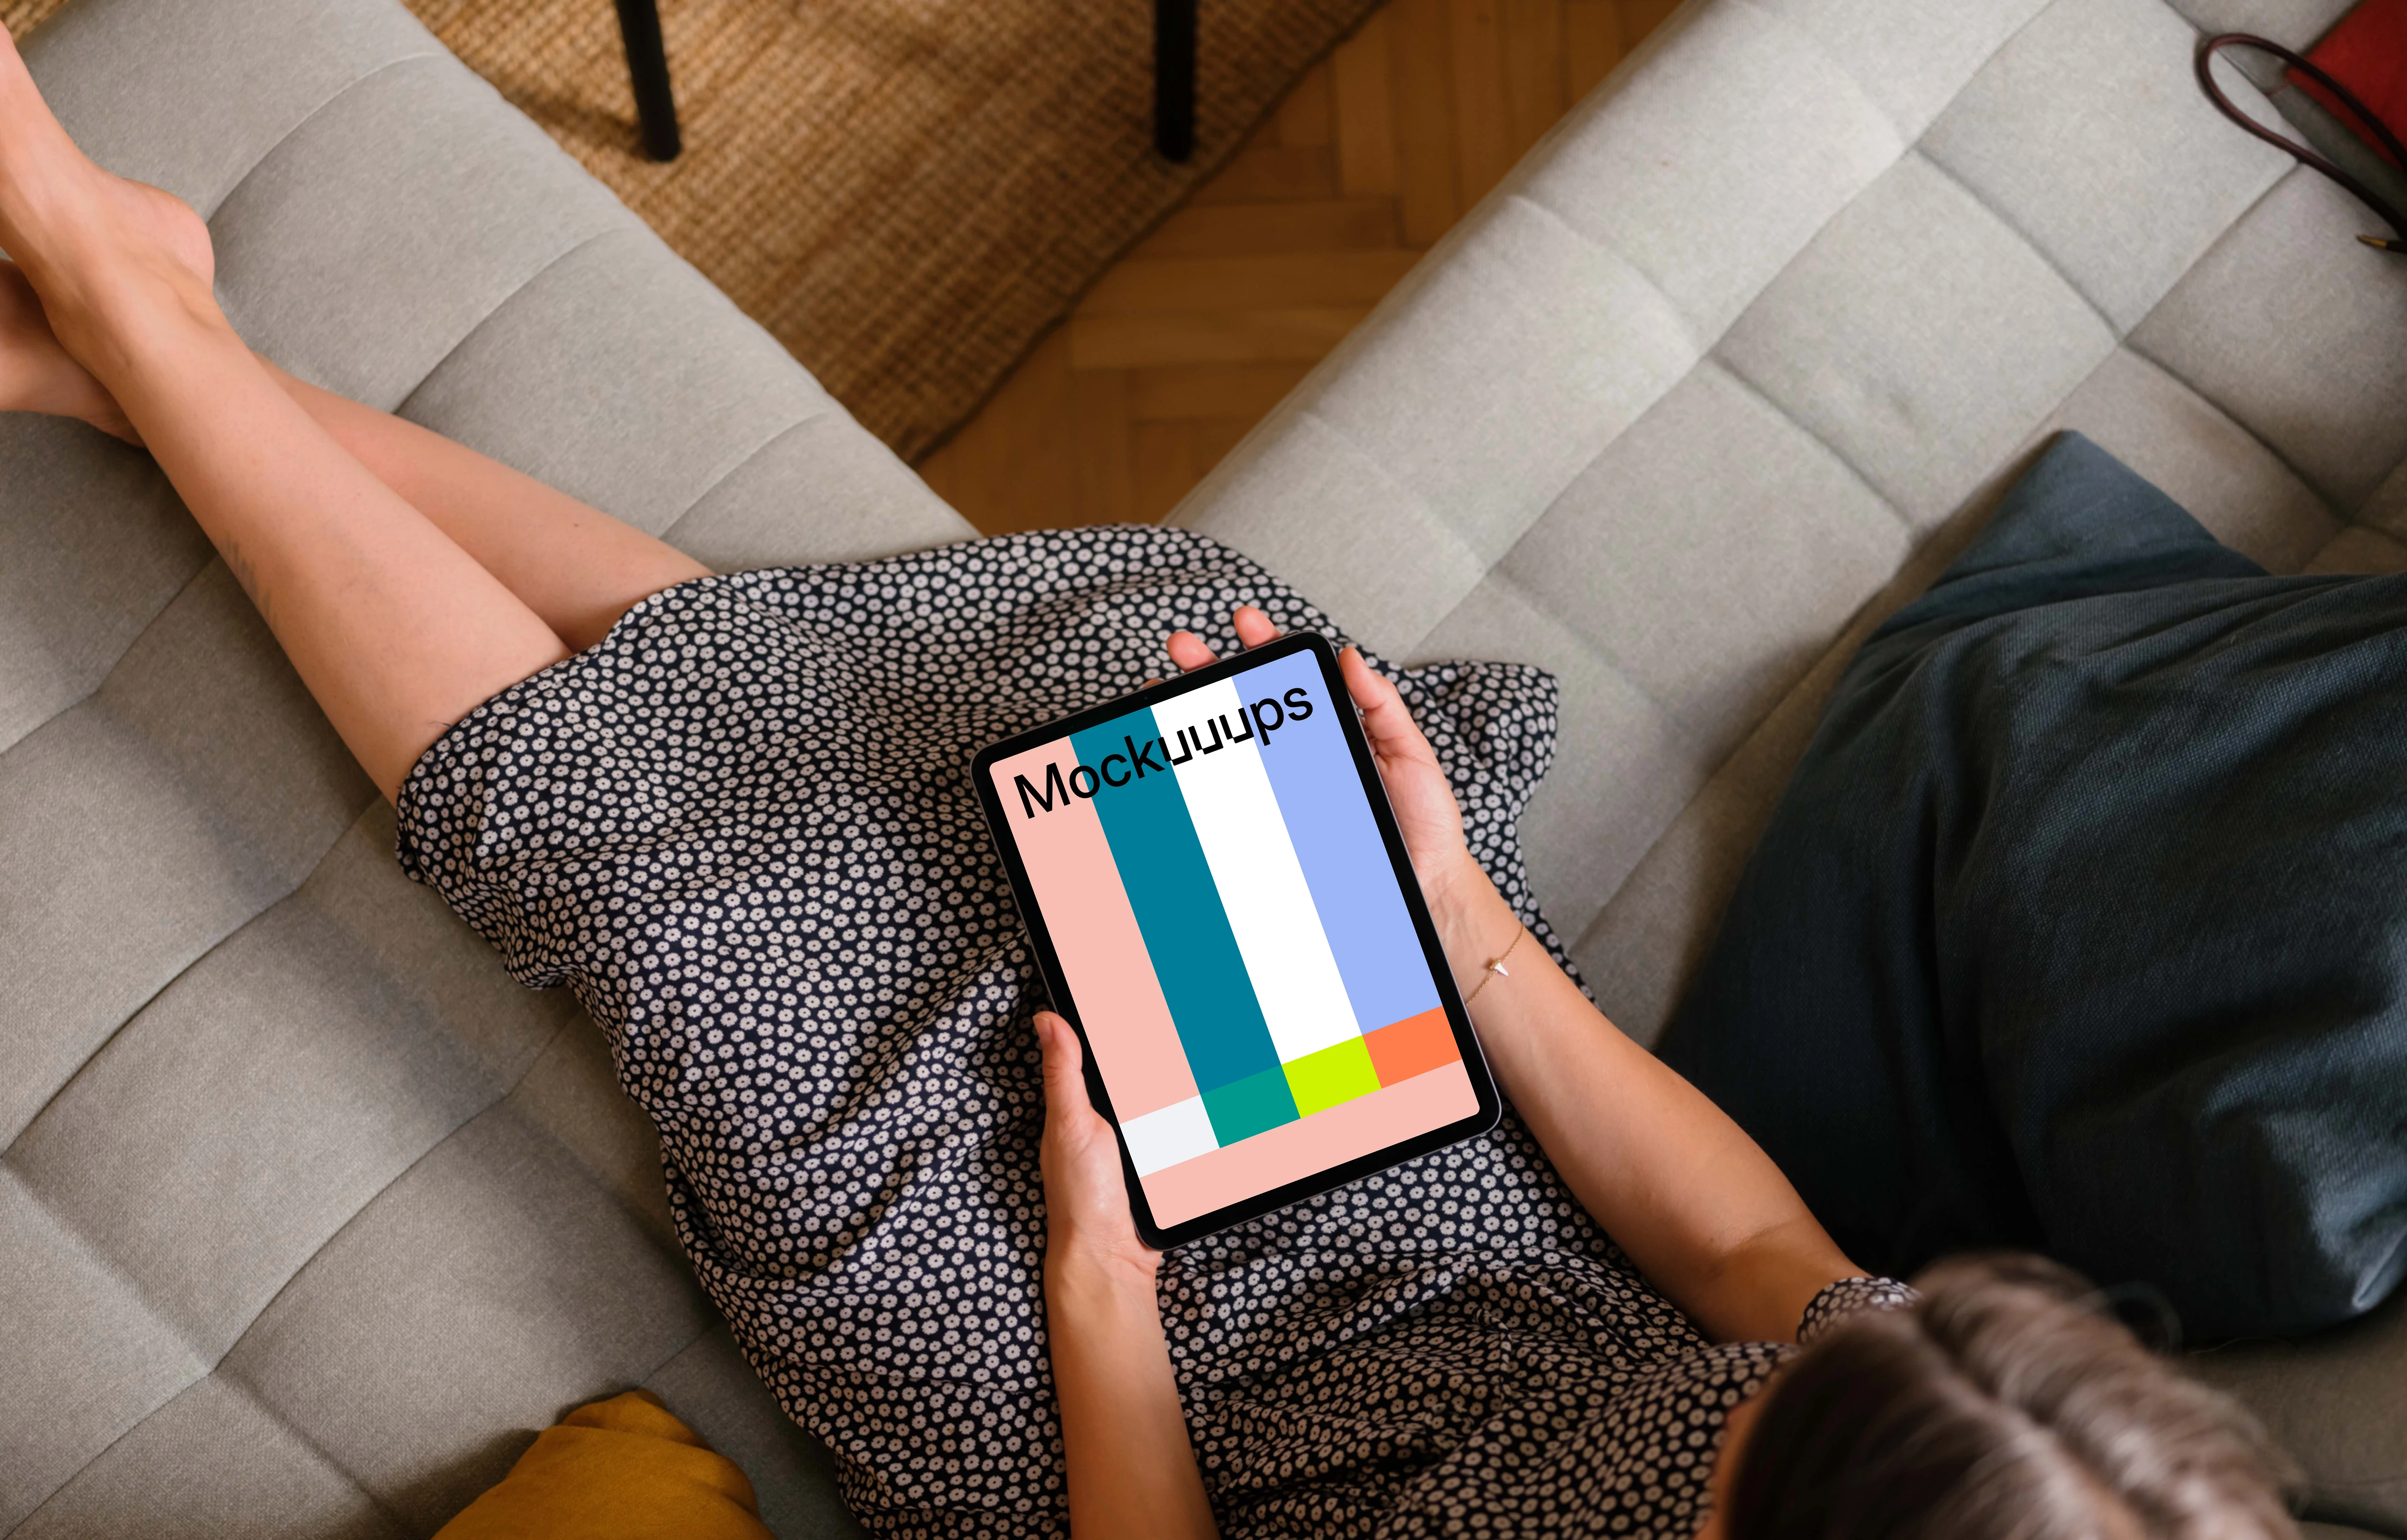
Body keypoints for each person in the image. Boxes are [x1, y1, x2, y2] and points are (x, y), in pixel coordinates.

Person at [0, 29, 2302, 1540]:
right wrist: (1450, 921)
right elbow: (1733, 1252)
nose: (1811, 1363)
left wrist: (1097, 1259)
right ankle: (134, 345)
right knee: (1126, 722)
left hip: (1122, 1445)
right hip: (1444, 1231)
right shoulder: (1999, 1454)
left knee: (742, 959)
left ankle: (121, 303)